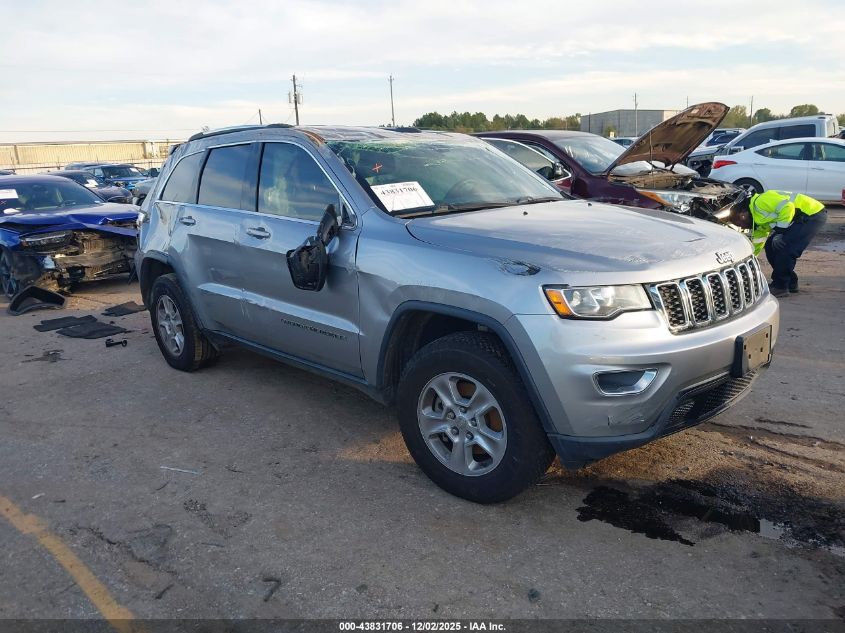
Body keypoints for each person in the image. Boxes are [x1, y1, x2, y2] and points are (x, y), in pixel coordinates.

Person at [729, 190, 827, 297]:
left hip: (811, 213)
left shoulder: (760, 201)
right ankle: (790, 282)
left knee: (785, 248)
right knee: (771, 246)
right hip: (800, 217)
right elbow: (757, 244)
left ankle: (780, 286)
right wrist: (750, 262)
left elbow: (787, 207)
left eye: (740, 223)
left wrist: (780, 232)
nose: (742, 227)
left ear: (743, 214)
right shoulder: (756, 221)